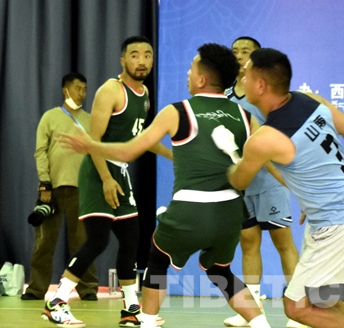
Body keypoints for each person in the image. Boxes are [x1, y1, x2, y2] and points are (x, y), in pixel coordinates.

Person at [57, 44, 273, 328]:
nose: (188, 73)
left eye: (192, 68)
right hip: (231, 214)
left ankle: (146, 322)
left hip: (191, 211)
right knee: (221, 273)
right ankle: (261, 324)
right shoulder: (247, 117)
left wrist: (90, 145)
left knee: (157, 260)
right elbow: (272, 161)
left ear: (202, 79)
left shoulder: (178, 111)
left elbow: (128, 151)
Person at [217, 48, 344, 328]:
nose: (242, 80)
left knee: (296, 307)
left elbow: (239, 181)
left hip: (338, 225)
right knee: (327, 303)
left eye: (246, 75)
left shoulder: (264, 139)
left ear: (260, 85)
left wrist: (231, 158)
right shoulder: (310, 100)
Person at [42, 36, 172, 328]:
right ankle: (56, 301)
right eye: (135, 55)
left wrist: (172, 156)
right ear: (123, 60)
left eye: (147, 55)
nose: (142, 61)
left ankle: (131, 309)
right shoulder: (110, 91)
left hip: (120, 172)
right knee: (98, 240)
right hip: (98, 172)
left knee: (131, 240)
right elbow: (93, 142)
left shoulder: (144, 93)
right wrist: (105, 179)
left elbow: (141, 138)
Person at [224, 38, 302, 328]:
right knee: (248, 244)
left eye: (246, 52)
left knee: (284, 244)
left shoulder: (269, 94)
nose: (239, 56)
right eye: (235, 52)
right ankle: (252, 312)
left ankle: (300, 310)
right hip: (242, 184)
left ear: (257, 59)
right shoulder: (224, 97)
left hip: (270, 181)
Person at [22, 72, 99, 301]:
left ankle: (88, 288)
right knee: (44, 242)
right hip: (52, 190)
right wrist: (44, 182)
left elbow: (97, 153)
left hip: (82, 189)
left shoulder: (90, 120)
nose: (82, 93)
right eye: (77, 88)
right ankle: (36, 288)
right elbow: (40, 151)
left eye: (84, 89)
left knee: (83, 242)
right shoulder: (50, 117)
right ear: (66, 90)